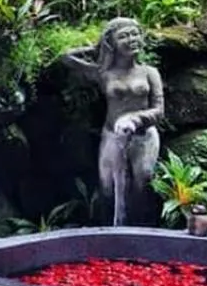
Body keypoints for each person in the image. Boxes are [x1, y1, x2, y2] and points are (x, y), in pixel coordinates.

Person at [61, 18, 164, 226]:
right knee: (108, 186)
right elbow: (66, 57)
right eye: (123, 36)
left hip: (144, 136)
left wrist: (137, 118)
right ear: (113, 43)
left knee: (142, 181)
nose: (132, 39)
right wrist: (98, 46)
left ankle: (141, 228)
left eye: (135, 34)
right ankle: (110, 230)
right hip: (112, 135)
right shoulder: (103, 74)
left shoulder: (149, 73)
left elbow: (159, 111)